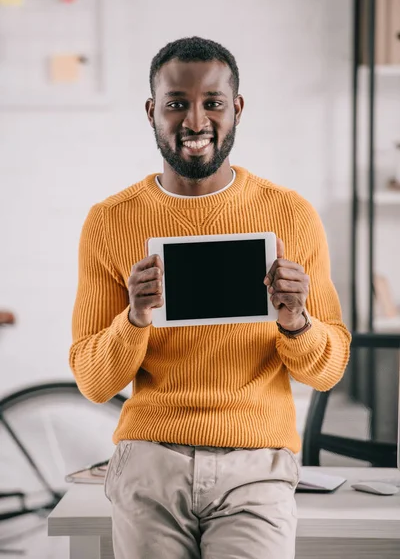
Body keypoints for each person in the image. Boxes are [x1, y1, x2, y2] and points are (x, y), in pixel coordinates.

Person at [69, 36, 351, 559]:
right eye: (176, 103)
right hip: (150, 460)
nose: (195, 121)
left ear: (236, 108)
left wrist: (297, 322)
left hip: (257, 465)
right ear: (153, 111)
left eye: (212, 102)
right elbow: (93, 381)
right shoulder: (110, 221)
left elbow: (327, 371)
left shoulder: (290, 214)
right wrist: (133, 318)